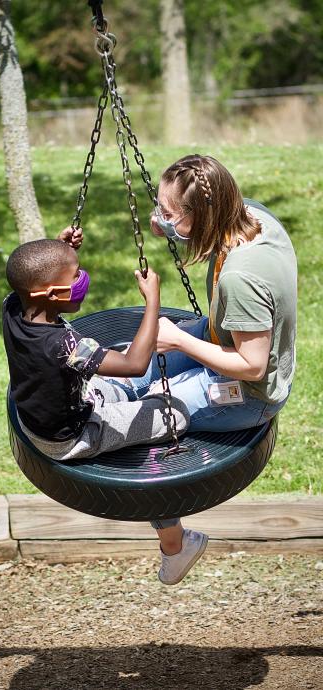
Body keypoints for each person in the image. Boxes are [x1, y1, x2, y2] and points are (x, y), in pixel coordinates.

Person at [113, 153, 297, 585]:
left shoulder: (241, 278)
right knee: (126, 369)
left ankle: (177, 543)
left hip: (247, 394)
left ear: (200, 215)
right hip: (219, 334)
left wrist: (179, 340)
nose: (161, 218)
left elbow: (251, 366)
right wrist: (166, 223)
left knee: (134, 426)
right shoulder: (251, 214)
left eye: (170, 212)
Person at [2, 237, 208, 584]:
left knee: (131, 382)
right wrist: (152, 300)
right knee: (175, 412)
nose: (82, 277)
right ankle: (176, 547)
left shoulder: (12, 306)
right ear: (50, 294)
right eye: (75, 276)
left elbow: (35, 272)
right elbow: (133, 363)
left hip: (66, 404)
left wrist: (61, 246)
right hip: (75, 437)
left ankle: (145, 395)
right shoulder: (65, 347)